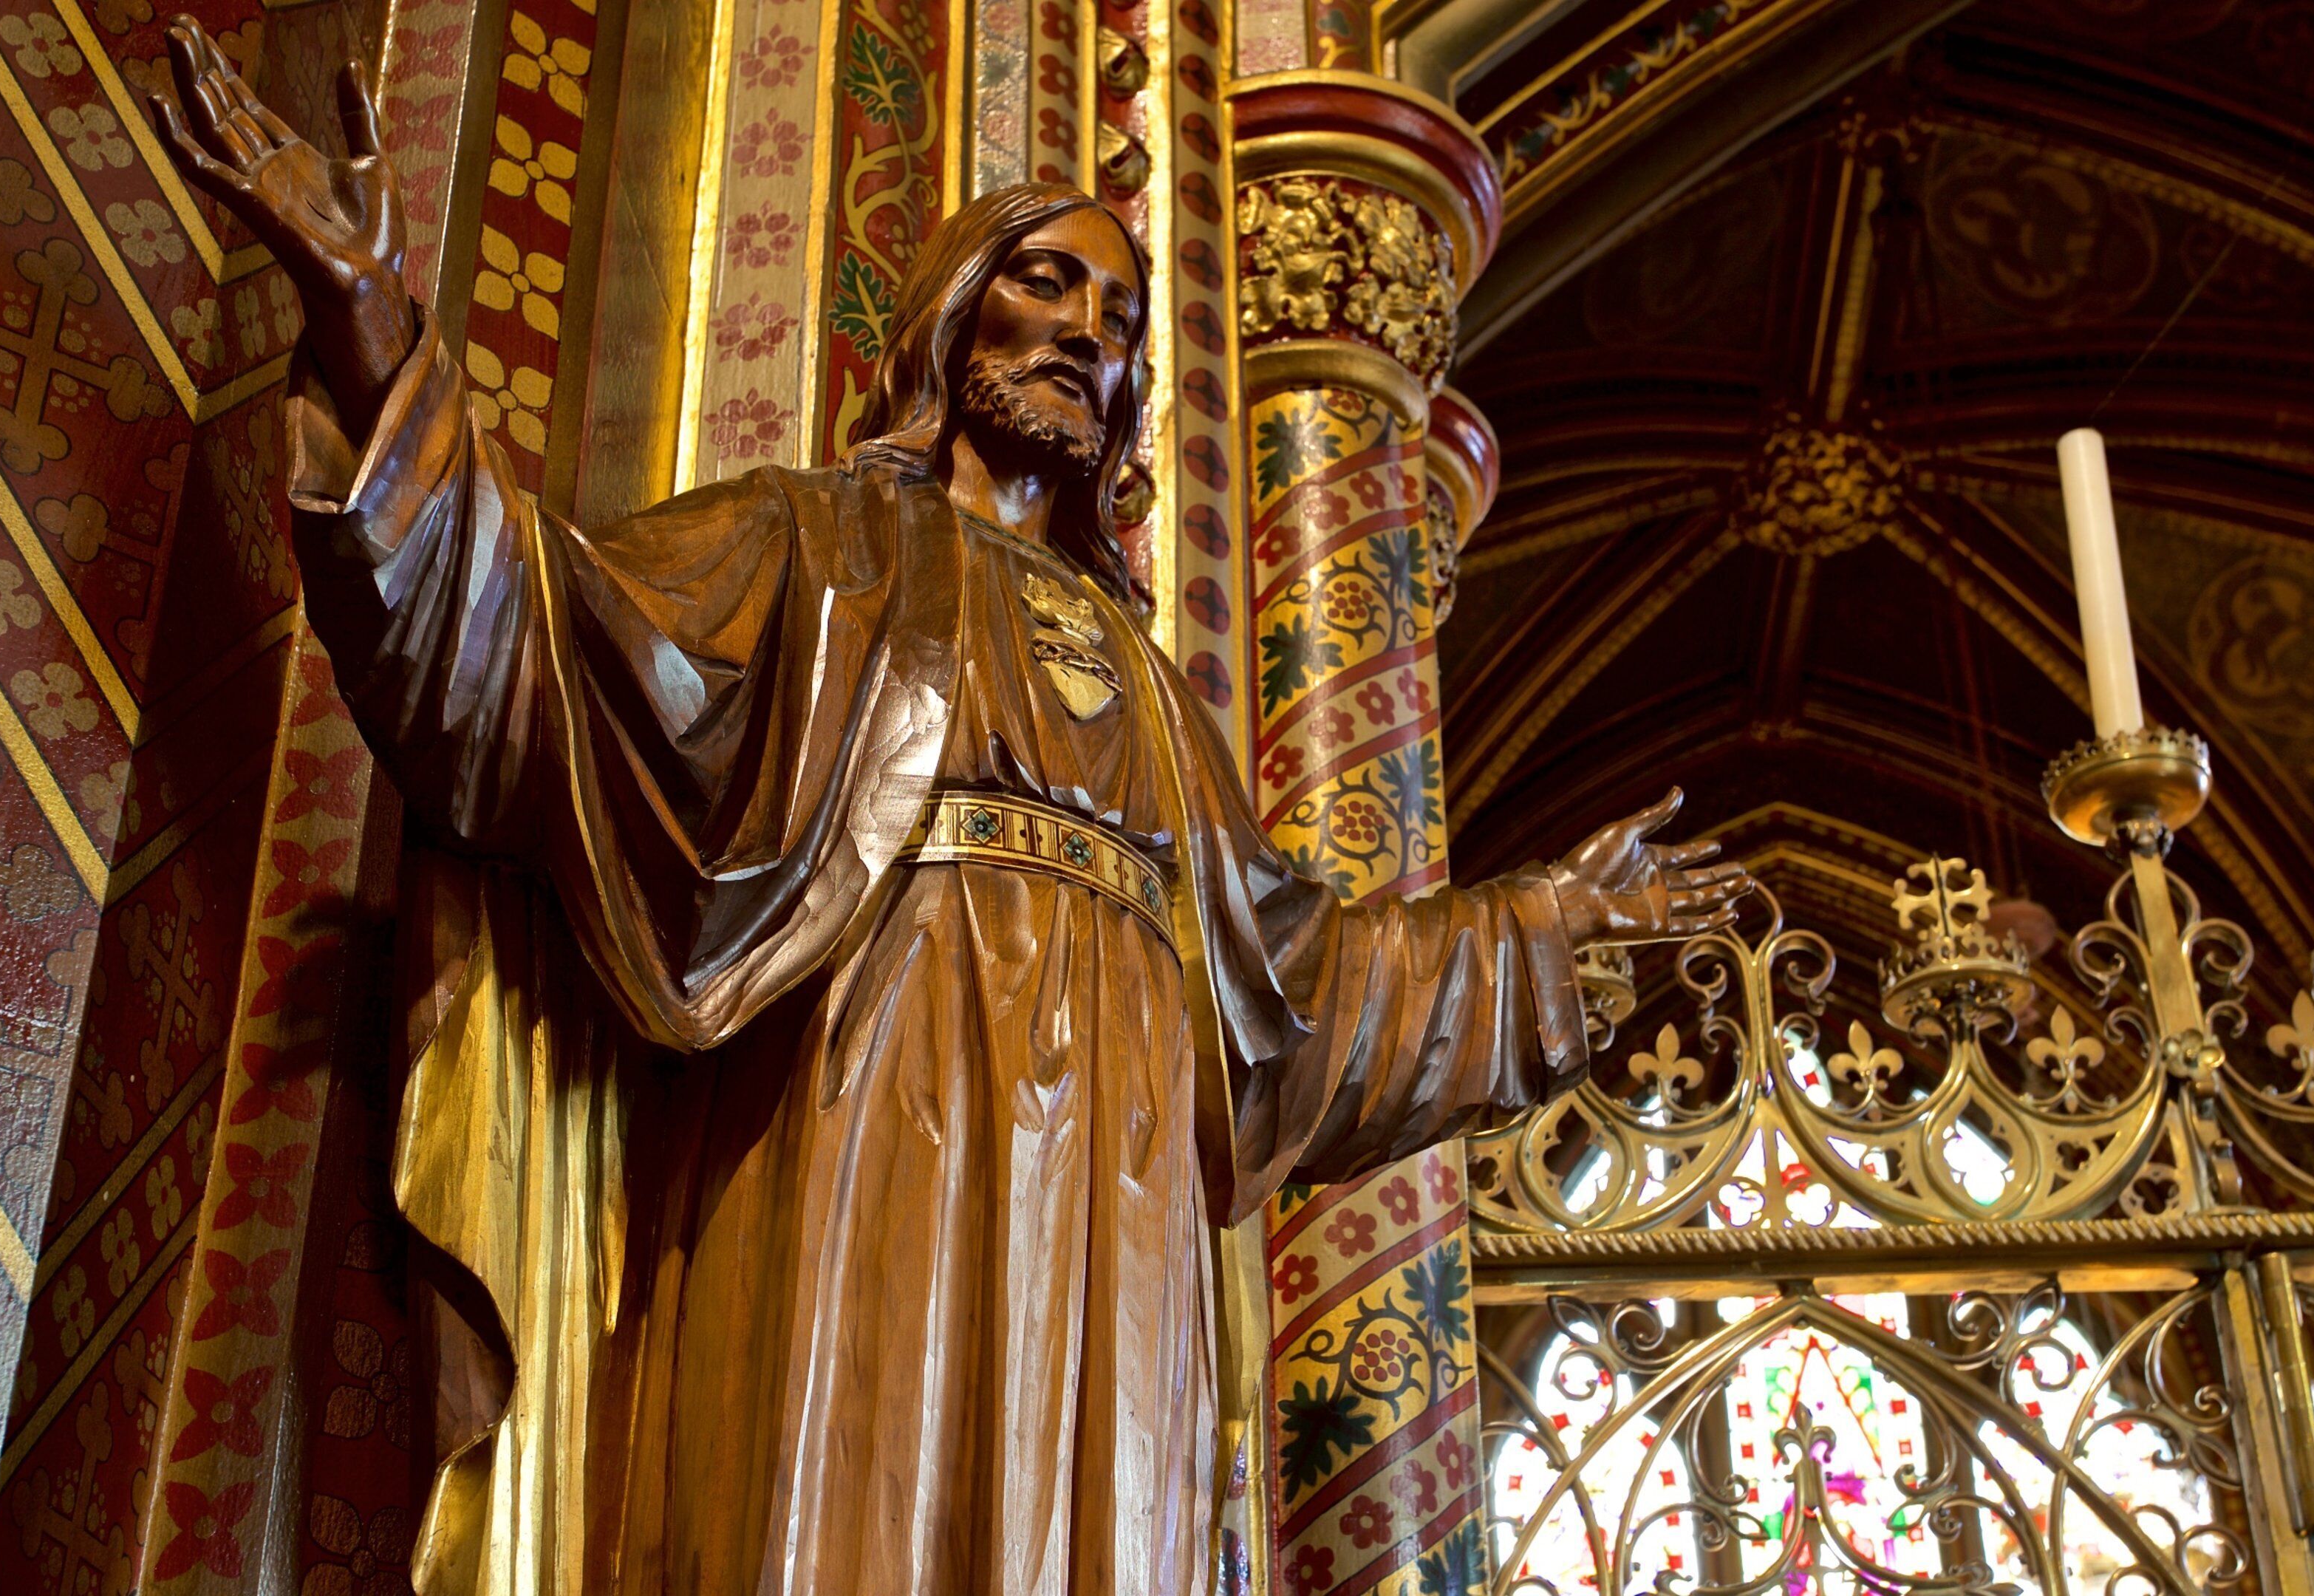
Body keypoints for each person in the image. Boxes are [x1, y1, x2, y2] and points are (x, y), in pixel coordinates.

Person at [150, 24, 1750, 1596]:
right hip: (866, 1120)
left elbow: (1301, 994)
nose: (1084, 332)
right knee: (845, 1504)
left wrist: (1539, 930)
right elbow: (541, 656)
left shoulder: (1156, 695)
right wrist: (372, 328)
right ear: (953, 313)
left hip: (1124, 1195)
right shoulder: (809, 546)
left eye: (1119, 316)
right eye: (1046, 282)